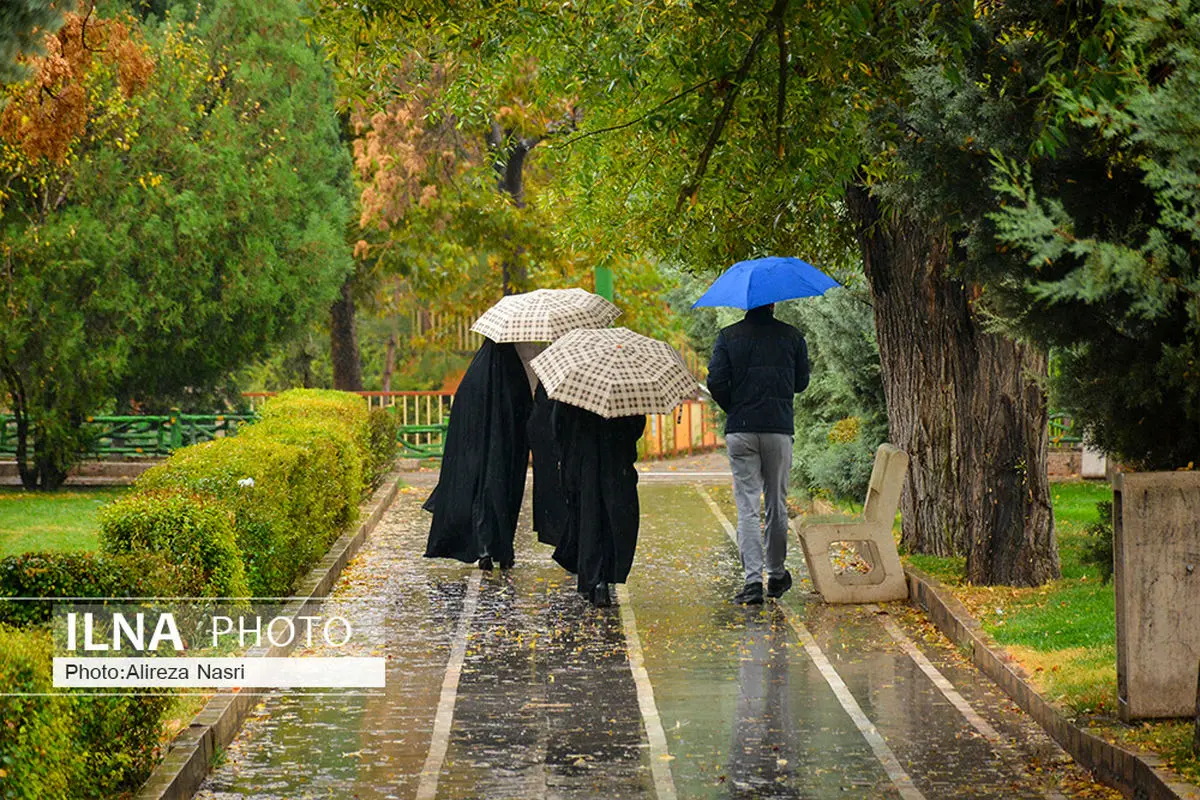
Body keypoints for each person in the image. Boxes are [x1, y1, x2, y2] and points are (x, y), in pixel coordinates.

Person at [706, 303, 809, 605]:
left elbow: (715, 381)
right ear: (774, 303)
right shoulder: (792, 337)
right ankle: (776, 575)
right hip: (778, 429)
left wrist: (734, 407)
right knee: (777, 503)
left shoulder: (728, 336)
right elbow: (802, 383)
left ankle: (752, 582)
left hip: (741, 430)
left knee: (747, 506)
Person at [423, 338, 533, 570]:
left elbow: (462, 419)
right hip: (505, 455)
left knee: (480, 496)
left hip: (476, 454)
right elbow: (524, 413)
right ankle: (502, 549)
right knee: (502, 498)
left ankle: (483, 548)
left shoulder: (474, 376)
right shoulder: (515, 375)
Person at [550, 401, 645, 608]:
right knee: (612, 517)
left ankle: (592, 578)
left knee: (587, 517)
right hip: (617, 461)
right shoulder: (627, 390)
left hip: (583, 460)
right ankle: (605, 577)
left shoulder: (576, 388)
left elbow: (558, 424)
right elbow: (637, 426)